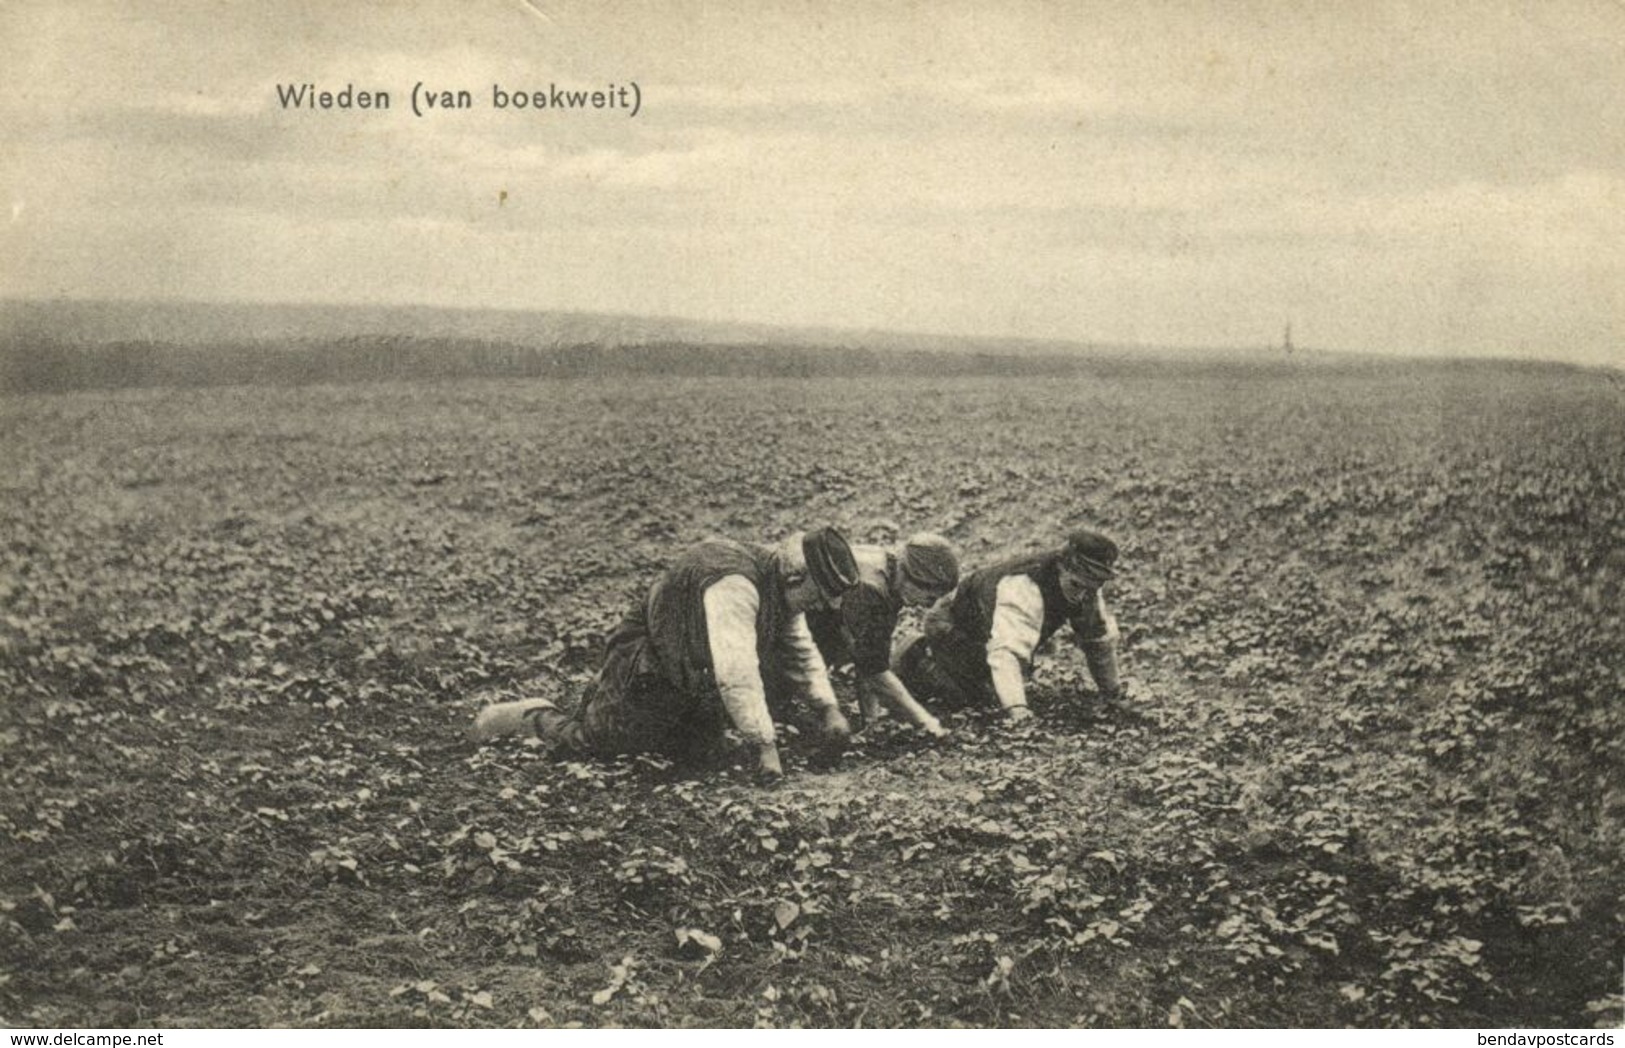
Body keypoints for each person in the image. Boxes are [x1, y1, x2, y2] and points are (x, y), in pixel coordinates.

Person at [470, 527, 860, 781]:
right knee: (599, 747)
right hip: (646, 661)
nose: (824, 607)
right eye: (821, 596)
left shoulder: (781, 581)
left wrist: (828, 708)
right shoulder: (735, 584)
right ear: (797, 577)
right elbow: (735, 670)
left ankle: (600, 702)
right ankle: (524, 717)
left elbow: (797, 648)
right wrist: (766, 746)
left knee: (697, 756)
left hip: (690, 673)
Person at [893, 528, 1124, 724]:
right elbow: (1006, 653)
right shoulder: (1024, 586)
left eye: (1089, 588)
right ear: (1062, 567)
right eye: (1076, 585)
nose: (1082, 595)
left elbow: (1098, 641)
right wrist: (1018, 711)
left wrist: (1112, 691)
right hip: (952, 626)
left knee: (990, 692)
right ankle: (916, 657)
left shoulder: (1084, 589)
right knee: (970, 702)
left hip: (988, 632)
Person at [802, 532, 960, 738]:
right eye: (929, 597)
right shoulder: (871, 587)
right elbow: (874, 669)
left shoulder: (891, 573)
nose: (928, 606)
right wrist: (925, 721)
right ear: (911, 576)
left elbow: (870, 655)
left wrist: (871, 721)